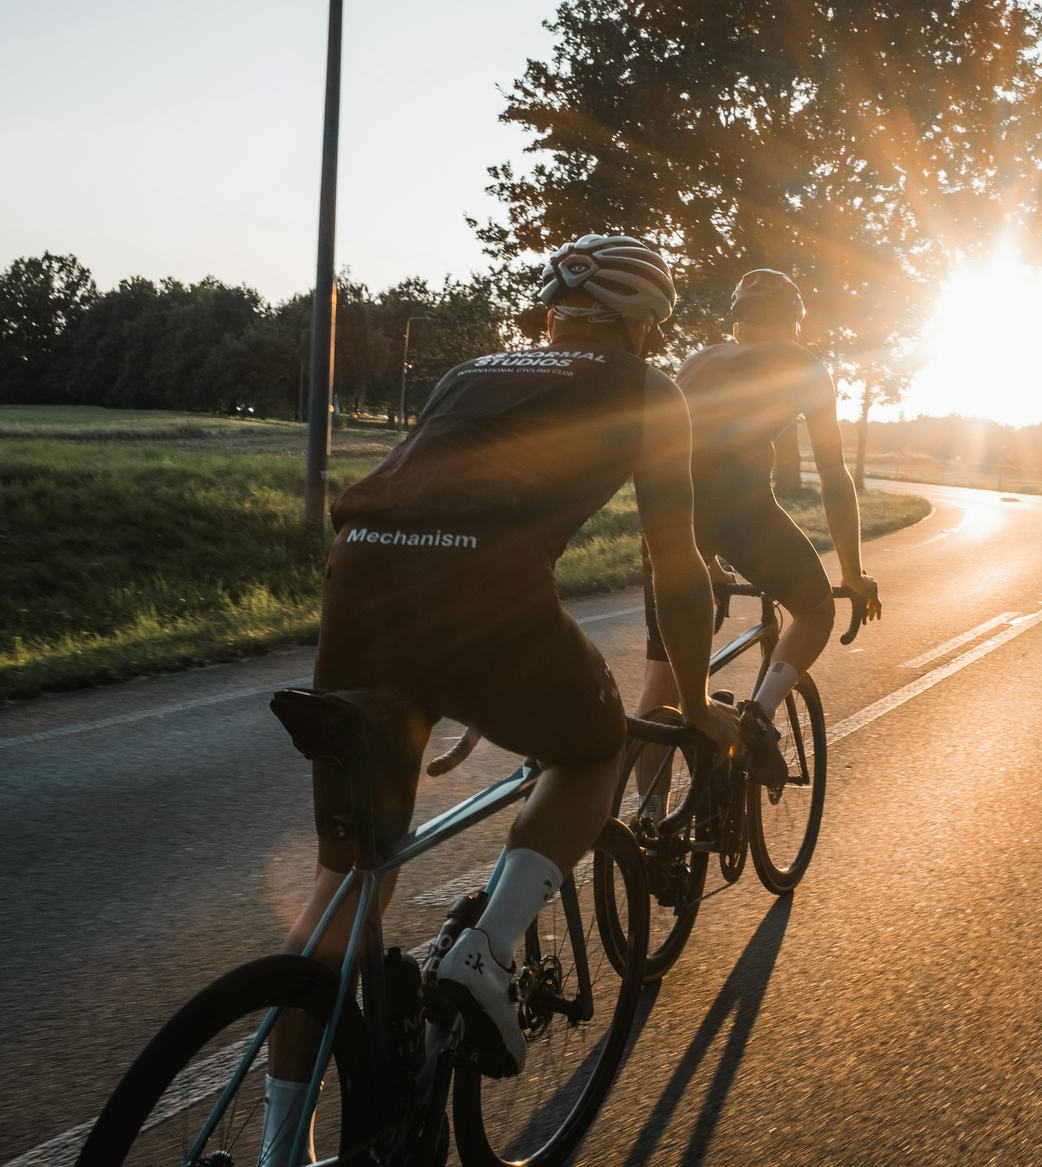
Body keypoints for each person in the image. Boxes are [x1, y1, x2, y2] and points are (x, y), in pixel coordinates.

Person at [260, 235, 739, 1162]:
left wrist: (452, 673)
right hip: (481, 594)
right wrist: (692, 701)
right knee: (596, 750)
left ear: (552, 307)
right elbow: (676, 567)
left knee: (345, 884)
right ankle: (486, 948)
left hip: (357, 581)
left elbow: (441, 500)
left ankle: (282, 1148)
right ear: (646, 322)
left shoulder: (475, 369)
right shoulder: (648, 389)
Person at [632, 268, 880, 777]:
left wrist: (707, 561)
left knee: (664, 682)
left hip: (663, 510)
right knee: (813, 610)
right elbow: (834, 477)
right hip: (740, 509)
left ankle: (648, 828)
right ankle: (759, 718)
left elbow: (691, 453)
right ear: (794, 323)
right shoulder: (804, 365)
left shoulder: (698, 359)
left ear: (738, 321)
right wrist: (853, 575)